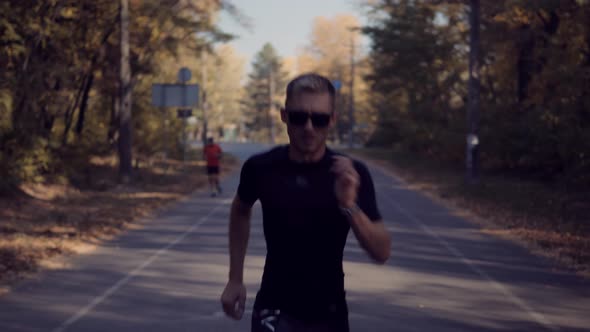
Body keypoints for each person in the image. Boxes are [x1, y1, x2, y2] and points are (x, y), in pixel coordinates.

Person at [220, 73, 392, 332]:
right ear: (284, 116)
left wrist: (349, 204)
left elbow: (381, 252)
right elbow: (240, 210)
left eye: (319, 119)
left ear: (332, 120)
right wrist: (235, 278)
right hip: (274, 308)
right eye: (299, 117)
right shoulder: (261, 168)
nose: (309, 127)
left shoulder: (350, 174)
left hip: (329, 312)